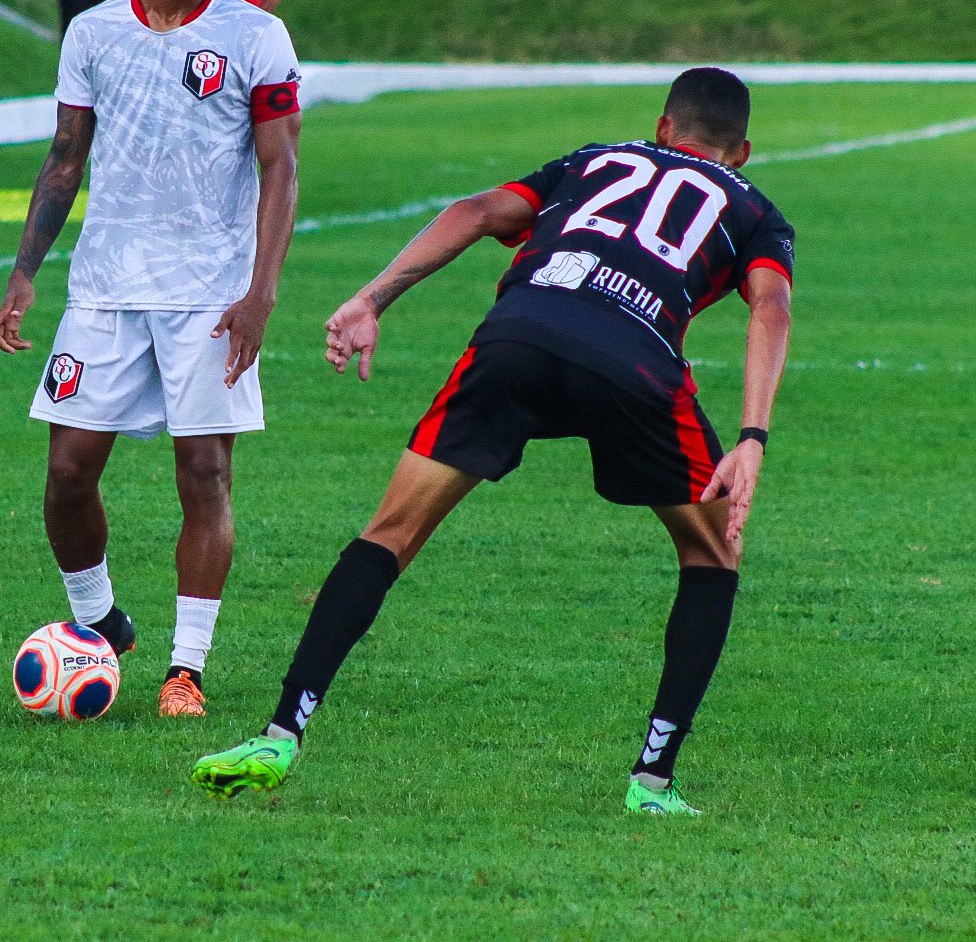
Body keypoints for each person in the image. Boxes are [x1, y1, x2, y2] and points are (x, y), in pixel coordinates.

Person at [192, 67, 794, 816]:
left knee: (390, 533)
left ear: (664, 128)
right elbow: (770, 306)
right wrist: (752, 435)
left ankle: (281, 733)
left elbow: (474, 211)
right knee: (711, 554)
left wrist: (371, 298)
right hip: (635, 364)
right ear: (741, 152)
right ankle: (652, 779)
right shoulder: (757, 210)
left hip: (520, 334)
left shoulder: (595, 159)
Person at [0, 0, 303, 719]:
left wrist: (261, 292)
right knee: (66, 475)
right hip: (105, 292)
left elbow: (282, 166)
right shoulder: (92, 33)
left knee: (203, 472)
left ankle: (184, 671)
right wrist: (23, 275)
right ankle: (100, 625)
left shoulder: (256, 34)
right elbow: (64, 160)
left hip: (210, 295)